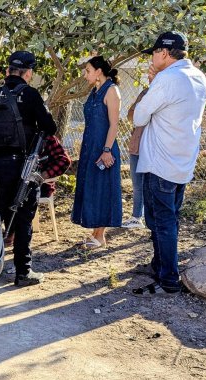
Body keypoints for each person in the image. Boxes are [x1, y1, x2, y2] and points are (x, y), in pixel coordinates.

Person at [131, 32, 206, 296]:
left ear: (164, 53)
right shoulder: (199, 77)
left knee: (161, 222)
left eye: (153, 53)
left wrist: (151, 85)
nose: (152, 58)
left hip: (160, 162)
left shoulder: (167, 78)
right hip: (181, 162)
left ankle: (168, 280)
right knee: (169, 220)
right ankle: (159, 265)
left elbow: (139, 117)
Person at [0, 50, 57, 286]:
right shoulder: (30, 95)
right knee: (23, 219)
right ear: (28, 73)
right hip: (22, 168)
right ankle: (23, 272)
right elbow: (49, 127)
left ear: (7, 71)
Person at [71, 56, 123, 248]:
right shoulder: (95, 90)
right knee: (92, 188)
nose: (85, 75)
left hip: (104, 148)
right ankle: (95, 233)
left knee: (102, 189)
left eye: (88, 70)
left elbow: (114, 125)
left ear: (99, 71)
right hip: (90, 147)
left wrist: (107, 150)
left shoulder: (111, 91)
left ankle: (100, 236)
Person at [123, 88, 148, 229]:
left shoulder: (164, 93)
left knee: (150, 186)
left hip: (151, 148)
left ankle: (147, 217)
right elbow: (130, 115)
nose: (150, 77)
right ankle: (137, 217)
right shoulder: (145, 92)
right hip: (136, 146)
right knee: (137, 185)